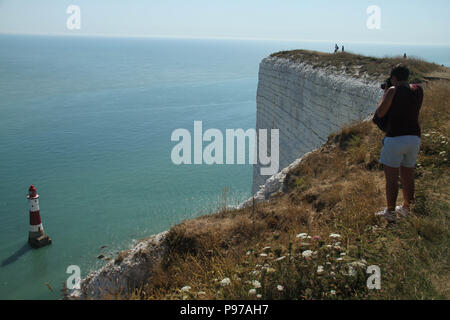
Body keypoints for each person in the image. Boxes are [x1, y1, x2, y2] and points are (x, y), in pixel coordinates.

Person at [375, 64, 423, 222]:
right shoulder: (418, 90)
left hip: (395, 138)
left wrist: (384, 94)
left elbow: (380, 113)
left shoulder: (392, 90)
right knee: (408, 174)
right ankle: (407, 207)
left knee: (392, 178)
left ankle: (390, 211)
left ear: (394, 77)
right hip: (414, 138)